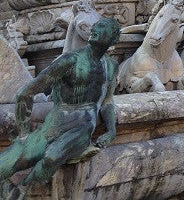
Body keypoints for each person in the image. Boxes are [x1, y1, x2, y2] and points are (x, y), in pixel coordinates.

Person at [0, 18, 120, 189]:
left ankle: (19, 189)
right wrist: (24, 132)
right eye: (94, 26)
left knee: (51, 157)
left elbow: (107, 100)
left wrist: (111, 131)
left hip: (84, 124)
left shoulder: (111, 65)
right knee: (13, 160)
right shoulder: (69, 60)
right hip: (56, 121)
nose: (94, 29)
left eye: (101, 27)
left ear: (114, 39)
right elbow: (25, 93)